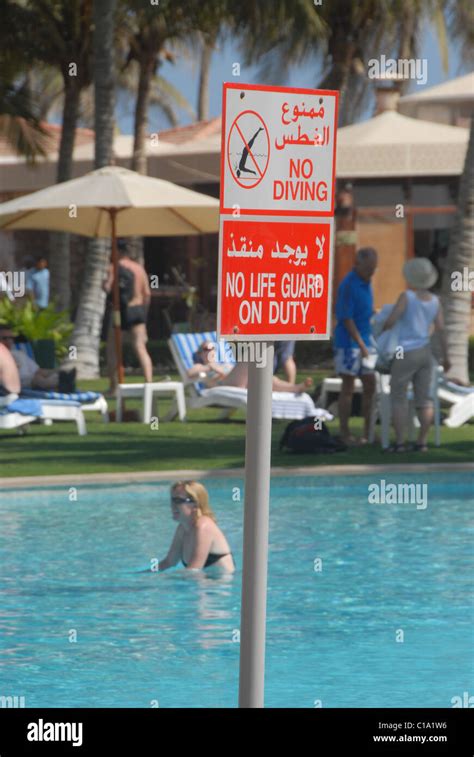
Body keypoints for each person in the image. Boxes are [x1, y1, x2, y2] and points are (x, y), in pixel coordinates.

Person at [381, 257, 450, 452]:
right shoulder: (435, 301)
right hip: (425, 352)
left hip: (404, 350)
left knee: (398, 396)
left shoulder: (407, 297)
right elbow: (441, 329)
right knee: (424, 398)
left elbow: (391, 320)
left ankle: (400, 442)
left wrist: (382, 330)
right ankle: (422, 442)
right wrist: (447, 358)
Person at [334, 247, 378, 444]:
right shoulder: (348, 285)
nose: (372, 272)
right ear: (358, 264)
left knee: (370, 385)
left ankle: (368, 432)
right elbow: (346, 318)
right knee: (348, 387)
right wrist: (360, 344)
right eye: (369, 268)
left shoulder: (367, 282)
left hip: (367, 342)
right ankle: (345, 433)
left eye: (374, 268)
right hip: (348, 344)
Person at [103, 241, 153, 395]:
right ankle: (149, 382)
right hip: (138, 310)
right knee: (140, 346)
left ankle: (113, 386)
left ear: (117, 251)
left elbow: (107, 287)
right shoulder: (139, 268)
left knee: (113, 349)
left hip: (120, 312)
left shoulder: (114, 267)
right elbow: (147, 294)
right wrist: (143, 314)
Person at [158, 481, 235, 573]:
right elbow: (168, 562)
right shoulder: (182, 528)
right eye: (172, 500)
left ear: (195, 504)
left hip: (221, 585)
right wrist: (141, 575)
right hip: (203, 583)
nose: (173, 505)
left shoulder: (203, 526)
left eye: (178, 501)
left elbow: (194, 569)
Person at [188, 341, 313, 393]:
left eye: (213, 348)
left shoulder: (222, 363)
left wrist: (217, 366)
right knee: (253, 353)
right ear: (200, 353)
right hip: (224, 384)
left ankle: (296, 387)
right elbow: (189, 373)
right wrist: (209, 367)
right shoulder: (201, 366)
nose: (210, 351)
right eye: (206, 349)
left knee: (269, 380)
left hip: (241, 381)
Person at [0, 325, 76, 392]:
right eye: (5, 338)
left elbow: (38, 371)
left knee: (51, 375)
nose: (9, 341)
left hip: (33, 379)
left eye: (11, 338)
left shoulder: (19, 354)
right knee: (38, 379)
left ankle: (63, 381)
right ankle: (63, 383)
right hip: (16, 382)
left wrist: (56, 370)